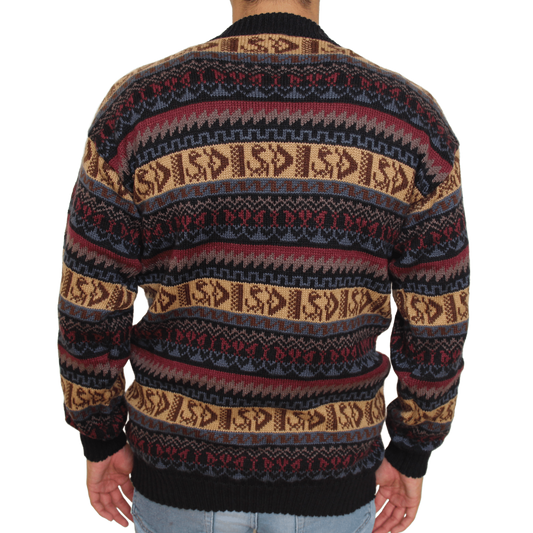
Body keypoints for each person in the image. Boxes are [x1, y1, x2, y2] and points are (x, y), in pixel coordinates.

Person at [56, 1, 472, 532]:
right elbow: (439, 314)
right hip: (332, 473)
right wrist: (413, 448)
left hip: (180, 468)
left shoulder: (140, 107)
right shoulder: (410, 121)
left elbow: (89, 300)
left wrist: (100, 434)